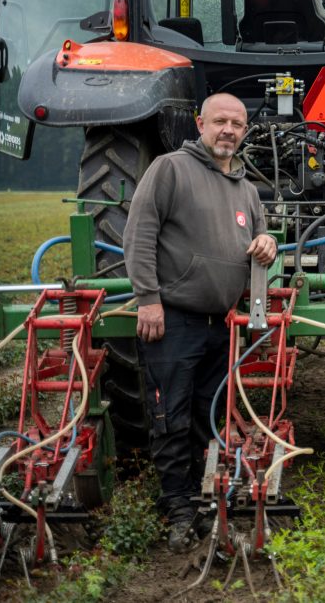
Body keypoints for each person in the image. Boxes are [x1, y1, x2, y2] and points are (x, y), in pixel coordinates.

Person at [123, 93, 277, 552]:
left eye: (237, 123)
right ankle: (178, 509)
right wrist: (148, 299)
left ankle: (205, 499)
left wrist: (266, 240)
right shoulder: (170, 169)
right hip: (173, 320)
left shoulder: (246, 189)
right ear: (200, 123)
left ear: (245, 131)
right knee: (170, 416)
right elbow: (140, 231)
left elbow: (261, 234)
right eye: (220, 122)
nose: (228, 130)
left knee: (207, 418)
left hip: (219, 324)